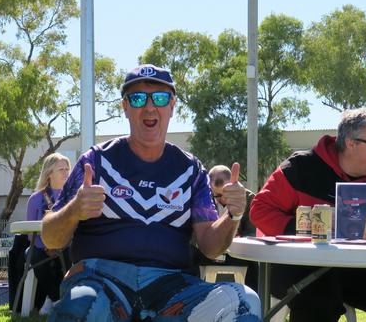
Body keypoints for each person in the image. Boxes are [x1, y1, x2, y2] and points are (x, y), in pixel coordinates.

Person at [41, 64, 261, 321]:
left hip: (172, 287)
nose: (149, 106)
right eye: (137, 98)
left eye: (159, 97)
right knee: (79, 307)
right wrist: (74, 210)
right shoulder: (96, 161)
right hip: (100, 280)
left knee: (244, 301)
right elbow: (50, 239)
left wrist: (233, 216)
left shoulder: (190, 170)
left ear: (172, 106)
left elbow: (210, 248)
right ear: (124, 107)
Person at [250, 107, 366, 322]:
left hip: (356, 269)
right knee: (321, 292)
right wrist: (311, 227)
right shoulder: (300, 168)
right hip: (297, 266)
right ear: (351, 143)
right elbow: (260, 211)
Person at [193, 165, 258, 291]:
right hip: (208, 252)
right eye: (217, 195)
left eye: (226, 194)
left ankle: (254, 301)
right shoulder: (203, 199)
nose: (222, 199)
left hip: (238, 254)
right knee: (190, 255)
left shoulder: (248, 198)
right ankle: (193, 300)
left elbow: (252, 233)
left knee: (254, 263)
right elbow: (196, 235)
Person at [26, 152, 72, 315]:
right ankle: (58, 301)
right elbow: (30, 232)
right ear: (49, 173)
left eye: (67, 169)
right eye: (61, 169)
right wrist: (46, 245)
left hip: (68, 245)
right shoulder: (35, 199)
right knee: (34, 256)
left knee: (69, 256)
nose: (66, 172)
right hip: (40, 245)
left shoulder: (74, 196)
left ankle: (51, 300)